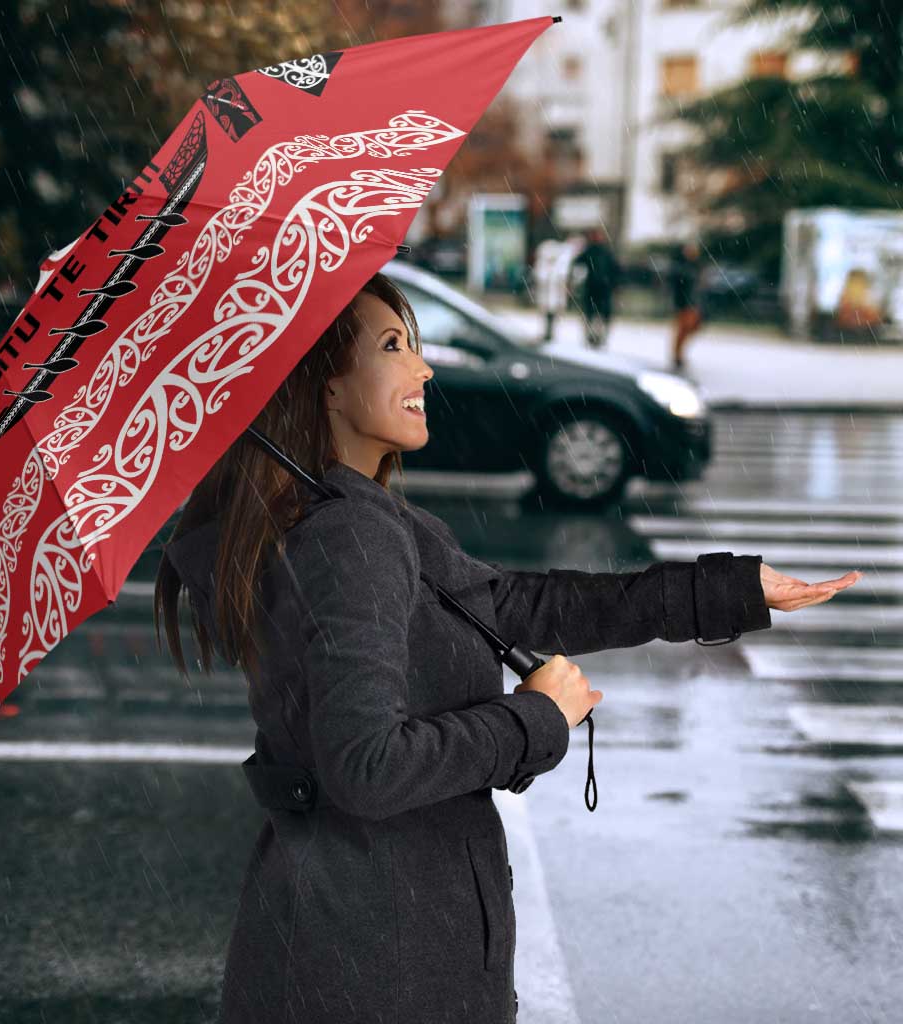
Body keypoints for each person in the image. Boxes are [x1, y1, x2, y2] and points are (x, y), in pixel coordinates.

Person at [155, 271, 857, 1024]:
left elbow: (519, 605)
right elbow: (366, 767)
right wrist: (534, 719)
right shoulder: (348, 536)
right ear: (325, 386)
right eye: (393, 346)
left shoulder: (355, 517)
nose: (423, 368)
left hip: (358, 942)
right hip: (377, 962)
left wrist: (729, 591)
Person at [571, 226, 621, 349]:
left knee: (599, 315)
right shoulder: (591, 251)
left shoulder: (604, 252)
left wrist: (614, 284)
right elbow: (577, 264)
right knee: (592, 314)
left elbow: (615, 270)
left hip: (602, 288)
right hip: (594, 288)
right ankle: (592, 337)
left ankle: (598, 337)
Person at [669, 239, 705, 370]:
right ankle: (677, 355)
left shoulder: (696, 266)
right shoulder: (681, 267)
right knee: (683, 329)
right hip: (684, 303)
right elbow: (678, 286)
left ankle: (678, 354)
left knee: (691, 328)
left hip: (693, 303)